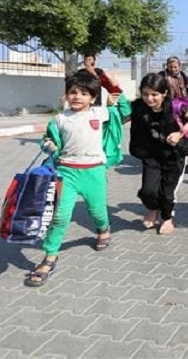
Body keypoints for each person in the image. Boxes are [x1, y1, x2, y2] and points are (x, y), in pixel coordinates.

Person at [25, 73, 131, 287]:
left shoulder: (100, 113)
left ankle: (103, 230)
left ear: (92, 98)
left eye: (84, 93)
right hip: (66, 173)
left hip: (94, 173)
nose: (77, 96)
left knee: (97, 211)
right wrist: (49, 146)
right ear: (65, 95)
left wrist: (115, 90)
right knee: (60, 216)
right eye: (73, 92)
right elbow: (47, 141)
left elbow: (125, 111)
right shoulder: (59, 119)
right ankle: (50, 256)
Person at [130, 73, 188, 235]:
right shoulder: (139, 107)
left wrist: (179, 134)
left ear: (164, 94)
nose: (149, 99)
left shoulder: (175, 107)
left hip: (174, 155)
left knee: (167, 192)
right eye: (146, 94)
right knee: (148, 190)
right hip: (151, 154)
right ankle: (153, 208)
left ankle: (167, 218)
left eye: (154, 94)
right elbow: (118, 118)